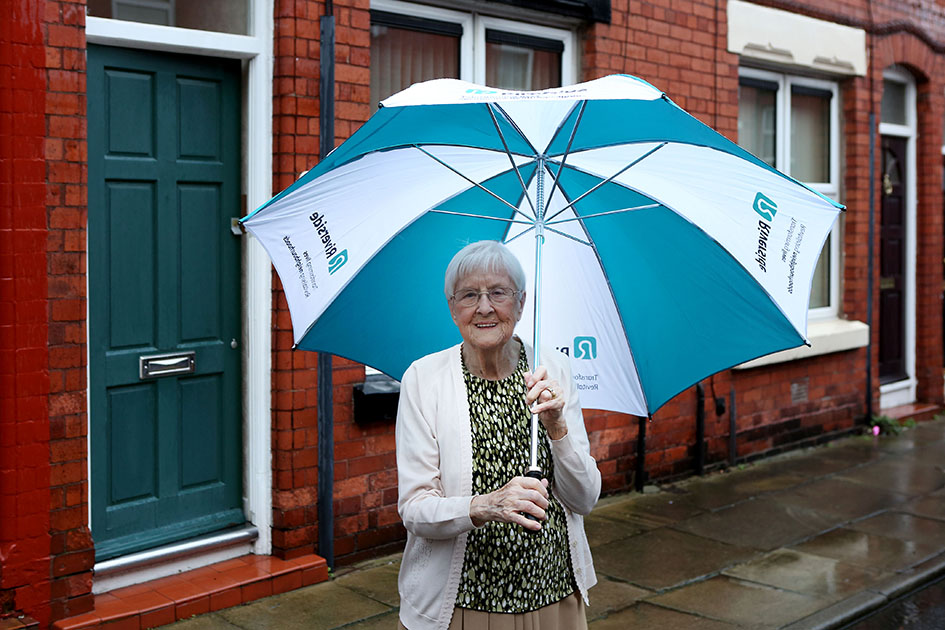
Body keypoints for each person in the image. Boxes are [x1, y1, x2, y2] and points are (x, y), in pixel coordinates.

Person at [396, 240, 601, 630]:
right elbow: (416, 509)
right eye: (469, 295)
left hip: (553, 594)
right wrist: (487, 505)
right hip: (462, 603)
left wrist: (558, 429)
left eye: (499, 293)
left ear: (521, 304)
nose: (485, 307)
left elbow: (585, 498)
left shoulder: (552, 369)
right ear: (453, 308)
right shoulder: (423, 379)